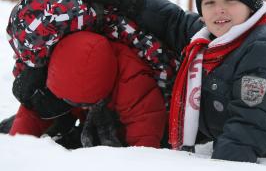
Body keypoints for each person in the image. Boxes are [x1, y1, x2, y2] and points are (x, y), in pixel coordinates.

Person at [68, 0, 266, 163]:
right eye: (210, 2)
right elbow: (173, 20)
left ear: (252, 6)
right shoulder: (213, 35)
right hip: (251, 139)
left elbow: (247, 129)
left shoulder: (263, 49)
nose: (220, 9)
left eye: (231, 0)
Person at [9, 31, 167, 148]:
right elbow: (34, 112)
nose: (83, 107)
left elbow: (145, 136)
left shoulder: (134, 82)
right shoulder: (58, 70)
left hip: (119, 127)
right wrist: (18, 146)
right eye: (72, 101)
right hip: (86, 118)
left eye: (86, 102)